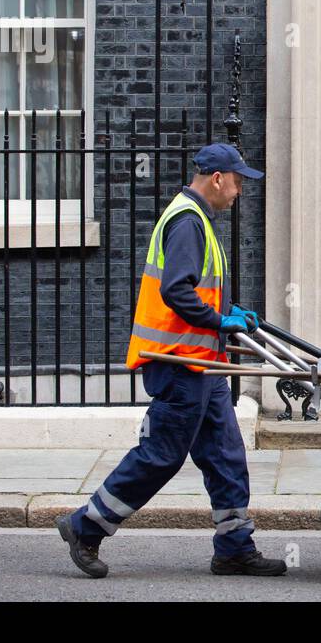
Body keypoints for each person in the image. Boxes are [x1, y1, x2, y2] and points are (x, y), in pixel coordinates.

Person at [56, 143, 286, 578]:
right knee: (161, 455)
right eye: (238, 182)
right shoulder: (187, 221)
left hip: (202, 363)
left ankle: (234, 547)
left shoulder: (195, 217)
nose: (239, 192)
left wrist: (228, 313)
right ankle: (85, 525)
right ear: (217, 178)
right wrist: (221, 322)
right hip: (180, 363)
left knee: (226, 455)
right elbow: (177, 293)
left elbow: (195, 288)